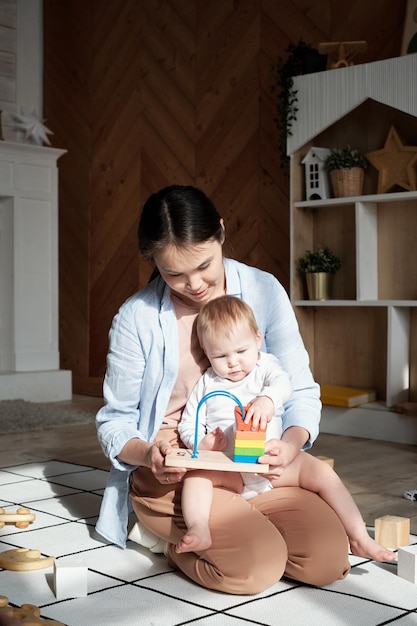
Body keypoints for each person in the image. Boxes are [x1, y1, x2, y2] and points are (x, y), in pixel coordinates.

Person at [95, 184, 352, 595]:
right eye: (173, 273)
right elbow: (115, 423)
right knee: (255, 567)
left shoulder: (263, 290)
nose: (193, 284)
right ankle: (177, 543)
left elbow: (300, 388)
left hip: (252, 456)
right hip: (180, 464)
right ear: (154, 262)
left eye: (204, 265)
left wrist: (290, 444)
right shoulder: (137, 317)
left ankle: (247, 518)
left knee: (326, 561)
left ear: (220, 233)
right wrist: (149, 454)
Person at [176, 296, 396, 563]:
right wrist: (203, 443)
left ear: (257, 340)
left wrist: (268, 399)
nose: (233, 363)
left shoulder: (266, 367)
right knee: (196, 477)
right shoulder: (207, 383)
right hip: (230, 467)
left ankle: (359, 536)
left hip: (271, 464)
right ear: (205, 350)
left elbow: (284, 384)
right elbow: (188, 424)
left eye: (241, 351)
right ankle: (199, 528)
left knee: (323, 472)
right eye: (221, 355)